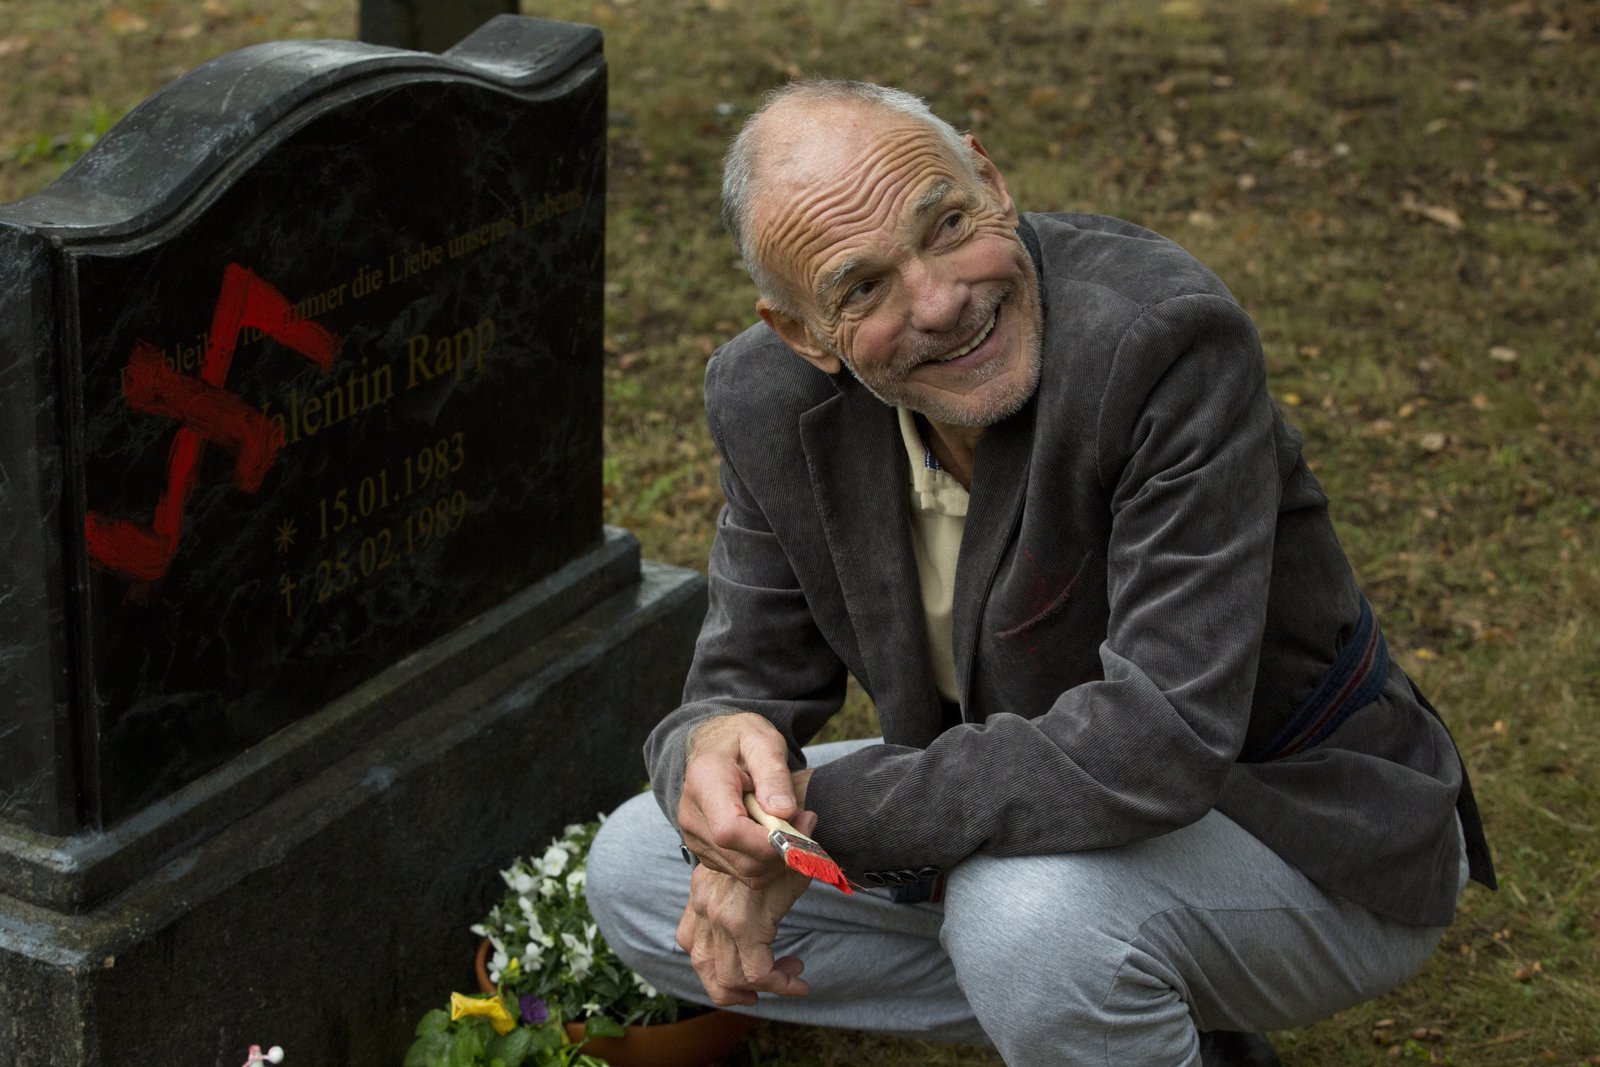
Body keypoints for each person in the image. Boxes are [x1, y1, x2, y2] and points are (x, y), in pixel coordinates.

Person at [586, 79, 1494, 1066]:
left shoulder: (1159, 341)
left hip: (1299, 817)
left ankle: (1095, 979)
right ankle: (1125, 1004)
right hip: (1034, 816)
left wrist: (802, 827)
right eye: (863, 287)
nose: (942, 301)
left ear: (990, 178)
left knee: (1021, 916)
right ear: (803, 334)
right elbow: (743, 677)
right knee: (637, 870)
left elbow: (1158, 740)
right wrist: (714, 755)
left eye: (945, 225)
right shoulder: (767, 397)